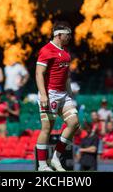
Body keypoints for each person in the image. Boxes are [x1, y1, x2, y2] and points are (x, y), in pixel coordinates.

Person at [35, 21, 80, 171]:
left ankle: (55, 158)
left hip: (63, 95)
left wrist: (70, 93)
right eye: (68, 35)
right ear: (59, 35)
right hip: (50, 94)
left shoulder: (66, 54)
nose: (70, 37)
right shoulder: (46, 50)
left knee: (74, 123)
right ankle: (42, 165)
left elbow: (66, 77)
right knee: (47, 128)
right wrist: (43, 95)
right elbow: (39, 73)